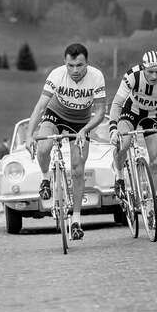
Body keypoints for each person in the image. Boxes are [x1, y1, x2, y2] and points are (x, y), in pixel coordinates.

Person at [25, 43, 106, 240]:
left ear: (87, 63)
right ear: (65, 63)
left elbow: (101, 112)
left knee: (78, 169)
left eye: (79, 65)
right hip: (55, 114)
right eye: (71, 66)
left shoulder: (96, 76)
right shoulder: (56, 75)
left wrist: (86, 130)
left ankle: (76, 220)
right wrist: (29, 135)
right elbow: (40, 106)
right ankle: (46, 178)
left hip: (81, 122)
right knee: (43, 147)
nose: (75, 70)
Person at [109, 50, 157, 201]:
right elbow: (117, 103)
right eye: (150, 72)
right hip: (132, 111)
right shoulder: (132, 76)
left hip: (153, 115)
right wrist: (113, 128)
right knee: (124, 142)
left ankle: (151, 202)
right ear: (143, 68)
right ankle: (119, 176)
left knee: (156, 159)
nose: (155, 76)